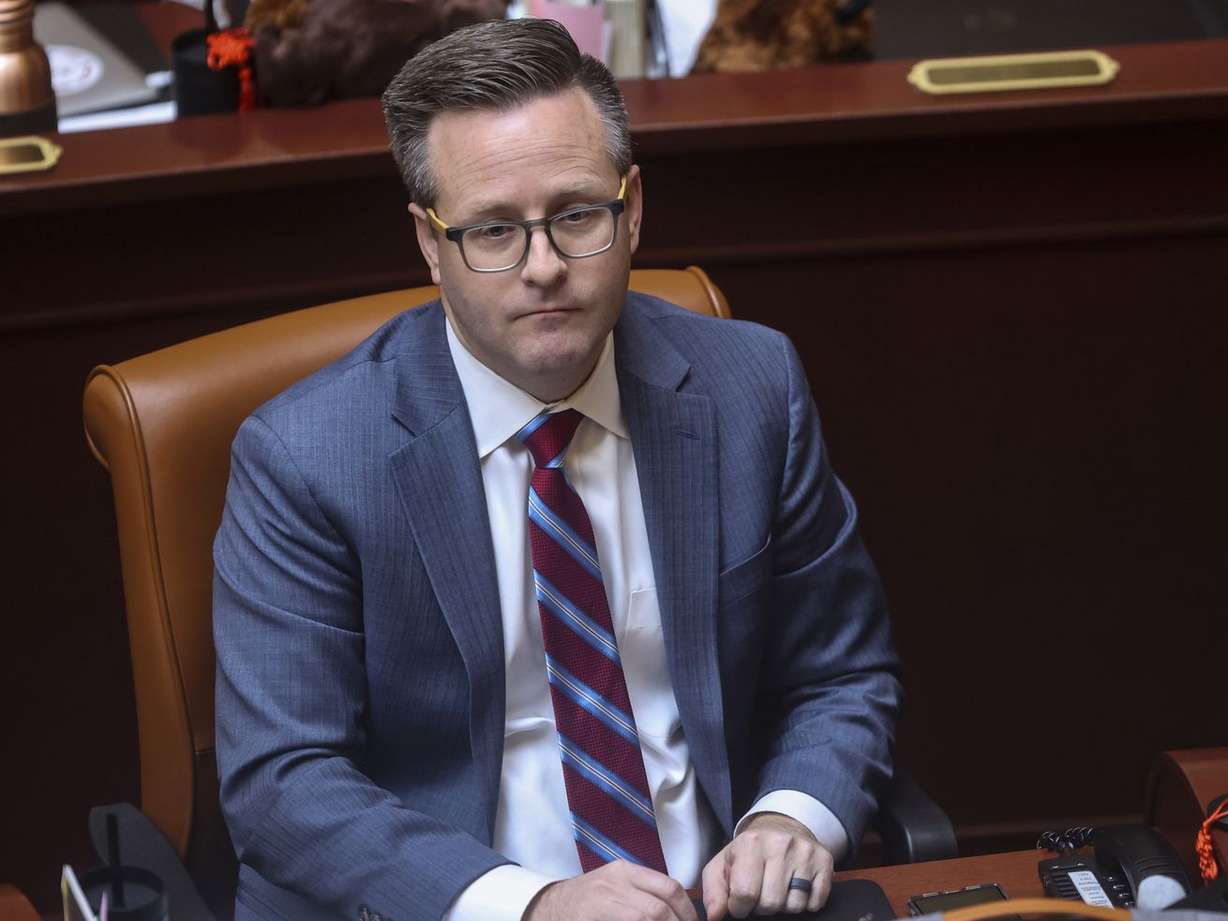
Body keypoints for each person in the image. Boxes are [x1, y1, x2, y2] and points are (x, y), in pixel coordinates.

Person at [212, 17, 901, 921]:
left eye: (576, 214)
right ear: (429, 241)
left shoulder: (752, 389)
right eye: (493, 230)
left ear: (633, 206)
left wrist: (788, 814)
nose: (543, 268)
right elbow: (282, 782)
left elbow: (840, 674)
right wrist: (531, 904)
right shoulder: (304, 456)